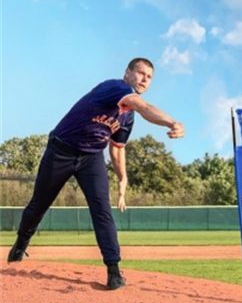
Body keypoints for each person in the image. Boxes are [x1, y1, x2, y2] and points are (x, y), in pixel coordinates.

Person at [6, 57, 184, 290]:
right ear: (128, 72)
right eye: (140, 73)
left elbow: (117, 148)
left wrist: (123, 178)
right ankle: (21, 242)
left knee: (102, 210)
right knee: (39, 205)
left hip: (91, 158)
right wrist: (172, 122)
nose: (144, 79)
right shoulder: (116, 88)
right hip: (61, 150)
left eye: (149, 77)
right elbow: (144, 107)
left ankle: (114, 270)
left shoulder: (127, 117)